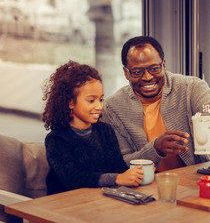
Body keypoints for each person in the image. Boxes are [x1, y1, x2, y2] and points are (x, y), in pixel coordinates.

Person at [101, 36, 210, 171]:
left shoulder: (190, 87)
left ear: (163, 65)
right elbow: (122, 163)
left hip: (193, 179)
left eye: (154, 68)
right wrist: (155, 149)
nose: (147, 77)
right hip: (144, 186)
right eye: (137, 72)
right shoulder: (112, 107)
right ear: (126, 73)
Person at [42, 60, 144, 195]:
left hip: (100, 200)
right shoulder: (56, 139)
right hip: (66, 204)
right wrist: (117, 178)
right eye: (91, 100)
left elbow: (118, 168)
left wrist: (136, 172)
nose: (99, 106)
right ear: (70, 102)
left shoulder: (106, 131)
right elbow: (72, 178)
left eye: (101, 99)